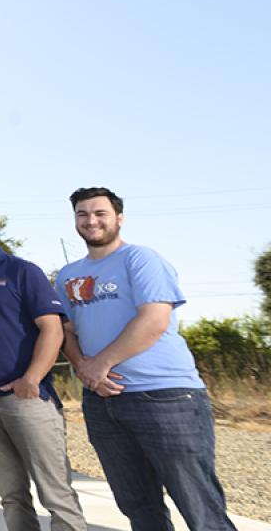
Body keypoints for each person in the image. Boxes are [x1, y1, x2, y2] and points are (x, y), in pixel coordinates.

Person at [57, 187, 235, 530]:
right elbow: (66, 330)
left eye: (100, 213)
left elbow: (154, 320)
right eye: (82, 214)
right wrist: (82, 367)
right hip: (103, 401)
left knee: (200, 508)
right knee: (139, 507)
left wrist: (99, 364)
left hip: (165, 397)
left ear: (118, 218)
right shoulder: (68, 275)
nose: (91, 220)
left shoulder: (141, 259)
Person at [0, 201, 86, 531]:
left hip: (26, 400)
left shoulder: (22, 271)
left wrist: (32, 378)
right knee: (12, 496)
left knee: (56, 495)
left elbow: (52, 328)